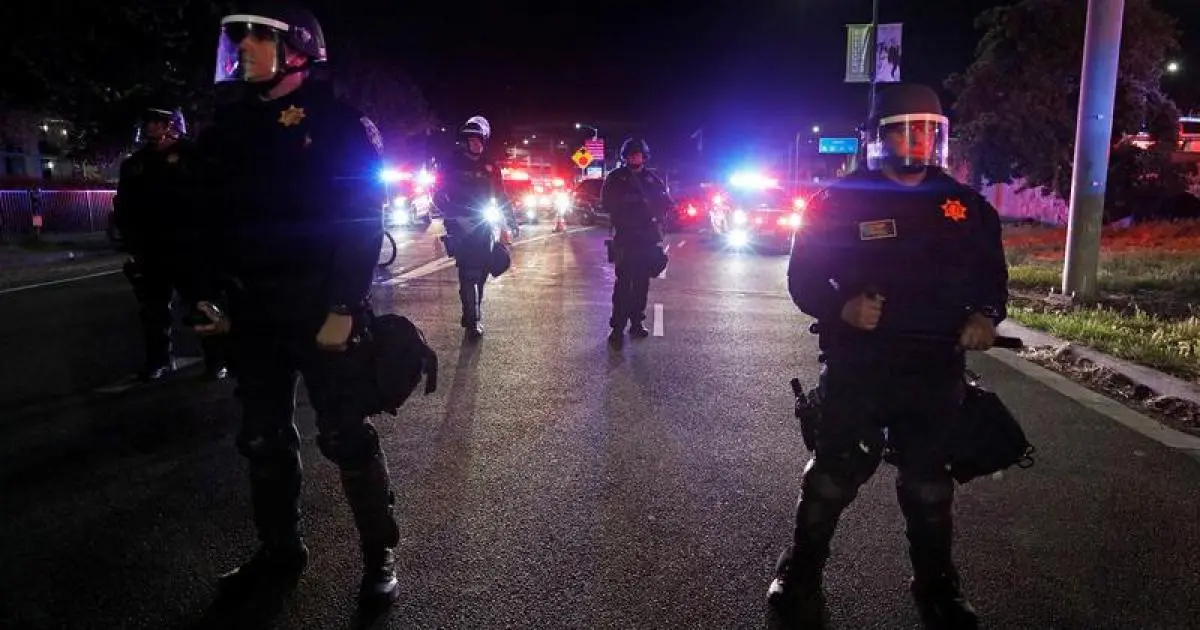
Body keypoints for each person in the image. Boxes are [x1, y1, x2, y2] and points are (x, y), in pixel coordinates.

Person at [767, 83, 1009, 629]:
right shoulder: (837, 201)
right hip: (859, 365)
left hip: (935, 367)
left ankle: (937, 586)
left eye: (927, 131)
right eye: (904, 130)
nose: (917, 141)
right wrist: (841, 307)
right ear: (879, 136)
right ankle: (799, 574)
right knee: (832, 478)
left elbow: (992, 279)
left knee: (929, 486)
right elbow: (803, 279)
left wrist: (984, 316)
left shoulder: (966, 207)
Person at [190, 3, 401, 607]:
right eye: (236, 38)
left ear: (300, 48)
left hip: (319, 303)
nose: (242, 48)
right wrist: (207, 293)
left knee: (343, 434)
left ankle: (378, 554)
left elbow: (361, 218)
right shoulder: (229, 127)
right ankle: (280, 551)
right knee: (263, 439)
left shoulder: (338, 123)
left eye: (256, 36)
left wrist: (344, 304)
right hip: (253, 309)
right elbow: (205, 220)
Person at [114, 106, 227, 381]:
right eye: (148, 122)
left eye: (158, 121)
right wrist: (132, 243)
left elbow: (211, 198)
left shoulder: (192, 156)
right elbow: (125, 206)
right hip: (152, 248)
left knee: (202, 306)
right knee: (153, 310)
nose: (152, 127)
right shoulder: (136, 164)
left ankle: (216, 360)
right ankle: (159, 360)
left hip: (190, 247)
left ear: (170, 124)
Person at [432, 115, 518, 339]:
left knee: (486, 267)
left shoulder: (491, 165)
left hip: (484, 222)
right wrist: (451, 212)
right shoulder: (452, 162)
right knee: (469, 272)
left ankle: (472, 310)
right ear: (465, 141)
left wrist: (511, 220)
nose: (475, 143)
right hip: (460, 223)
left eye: (479, 140)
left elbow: (501, 194)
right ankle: (472, 319)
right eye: (471, 140)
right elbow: (437, 194)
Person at [600, 137, 672, 348]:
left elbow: (666, 204)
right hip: (625, 238)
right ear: (625, 156)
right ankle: (617, 327)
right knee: (623, 285)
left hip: (647, 239)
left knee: (641, 284)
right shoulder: (615, 178)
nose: (634, 157)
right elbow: (607, 203)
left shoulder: (652, 179)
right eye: (631, 154)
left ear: (644, 156)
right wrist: (626, 205)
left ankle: (636, 323)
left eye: (637, 154)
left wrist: (657, 213)